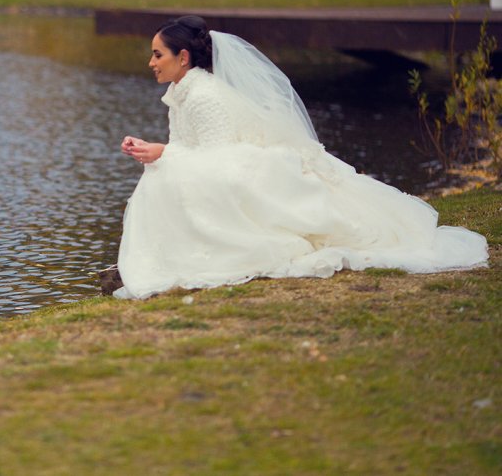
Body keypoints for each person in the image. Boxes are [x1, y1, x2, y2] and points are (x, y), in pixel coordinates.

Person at [115, 15, 488, 300]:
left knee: (161, 175)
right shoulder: (181, 93)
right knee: (159, 173)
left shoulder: (203, 96)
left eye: (157, 54)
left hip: (246, 169)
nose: (151, 61)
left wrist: (164, 153)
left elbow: (221, 159)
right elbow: (189, 148)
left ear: (183, 58)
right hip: (226, 166)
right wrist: (157, 151)